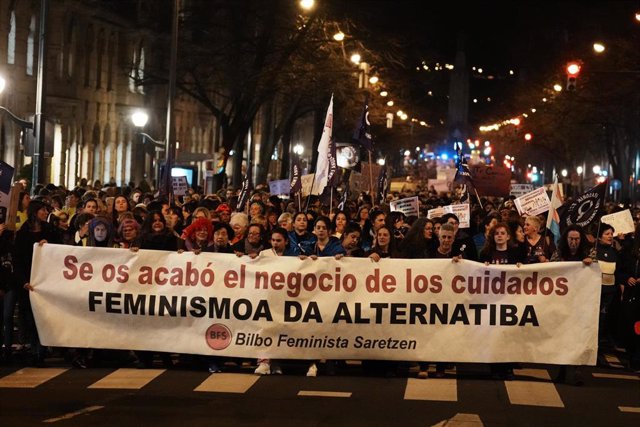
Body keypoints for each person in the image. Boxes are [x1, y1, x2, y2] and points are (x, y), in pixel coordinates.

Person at [14, 200, 61, 366]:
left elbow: (61, 250)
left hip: (46, 282)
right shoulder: (23, 233)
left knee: (44, 318)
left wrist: (49, 247)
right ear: (34, 212)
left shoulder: (50, 231)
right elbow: (17, 260)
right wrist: (23, 282)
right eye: (42, 210)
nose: (45, 213)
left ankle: (41, 350)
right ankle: (35, 351)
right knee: (30, 319)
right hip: (29, 283)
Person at [479, 222, 524, 380]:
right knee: (494, 336)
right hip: (492, 300)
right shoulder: (485, 254)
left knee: (509, 336)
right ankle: (495, 368)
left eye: (502, 233)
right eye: (496, 233)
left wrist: (521, 268)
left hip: (510, 301)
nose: (499, 235)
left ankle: (508, 368)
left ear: (508, 236)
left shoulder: (516, 253)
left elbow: (525, 274)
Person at [551, 225, 593, 385]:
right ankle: (561, 370)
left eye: (576, 239)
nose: (574, 242)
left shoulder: (589, 253)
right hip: (562, 302)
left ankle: (576, 370)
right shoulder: (559, 253)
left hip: (580, 303)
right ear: (565, 239)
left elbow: (596, 272)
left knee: (577, 337)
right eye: (571, 239)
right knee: (562, 336)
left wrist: (591, 263)